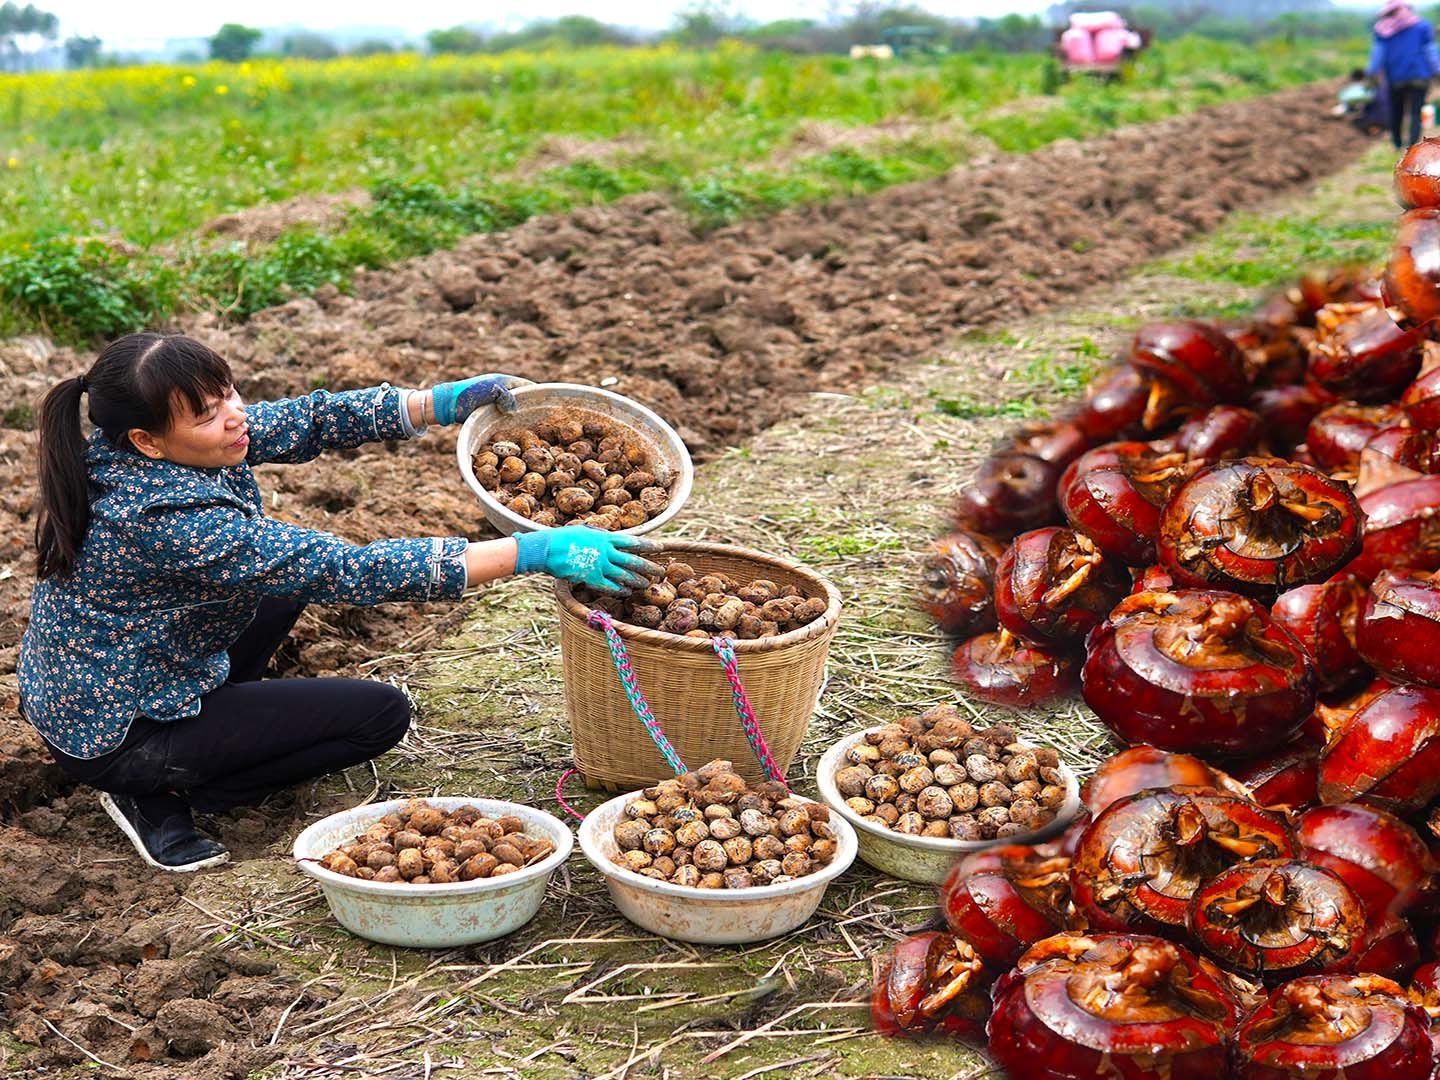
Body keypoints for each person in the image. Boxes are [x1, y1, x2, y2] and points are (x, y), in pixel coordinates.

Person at [19, 333, 660, 872]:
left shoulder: (155, 444)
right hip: (117, 726)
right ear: (149, 440)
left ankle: (199, 737)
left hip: (130, 667)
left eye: (229, 395)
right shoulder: (164, 515)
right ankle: (160, 785)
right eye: (209, 414)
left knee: (276, 588)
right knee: (378, 716)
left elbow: (308, 420)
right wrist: (530, 553)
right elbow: (345, 570)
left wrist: (436, 403)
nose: (235, 416)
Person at [1368, 0, 1440, 149]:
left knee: (1396, 111)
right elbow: (1430, 52)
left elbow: (1378, 54)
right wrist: (1437, 71)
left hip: (1395, 78)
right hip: (1419, 75)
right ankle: (1412, 147)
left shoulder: (1383, 30)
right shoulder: (1422, 26)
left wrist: (1372, 73)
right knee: (1415, 112)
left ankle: (1397, 143)